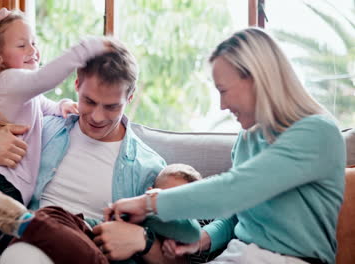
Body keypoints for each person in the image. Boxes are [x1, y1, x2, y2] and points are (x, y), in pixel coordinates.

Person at [0, 31, 175, 264]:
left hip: (73, 252)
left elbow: (174, 255)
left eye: (111, 106)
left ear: (131, 97)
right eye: (89, 101)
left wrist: (143, 241)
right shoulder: (42, 128)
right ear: (76, 84)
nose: (97, 116)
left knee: (24, 254)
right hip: (7, 243)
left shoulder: (149, 168)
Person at [107, 27, 346, 264]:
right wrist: (203, 239)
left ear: (256, 79)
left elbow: (235, 190)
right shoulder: (247, 138)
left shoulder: (317, 133)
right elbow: (239, 213)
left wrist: (148, 203)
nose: (222, 105)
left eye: (223, 90)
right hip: (239, 254)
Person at [0, 7, 111, 252]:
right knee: (29, 244)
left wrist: (61, 105)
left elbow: (43, 104)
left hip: (4, 188)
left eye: (33, 43)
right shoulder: (9, 81)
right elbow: (43, 79)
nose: (33, 51)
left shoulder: (19, 93)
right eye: (22, 46)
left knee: (12, 249)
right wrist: (85, 49)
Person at [0, 163, 202, 263]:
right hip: (85, 246)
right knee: (59, 215)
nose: (169, 205)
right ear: (149, 191)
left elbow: (189, 231)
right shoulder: (137, 216)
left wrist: (151, 208)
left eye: (179, 202)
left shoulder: (186, 235)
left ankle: (19, 221)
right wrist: (90, 225)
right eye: (163, 195)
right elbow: (91, 225)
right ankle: (26, 223)